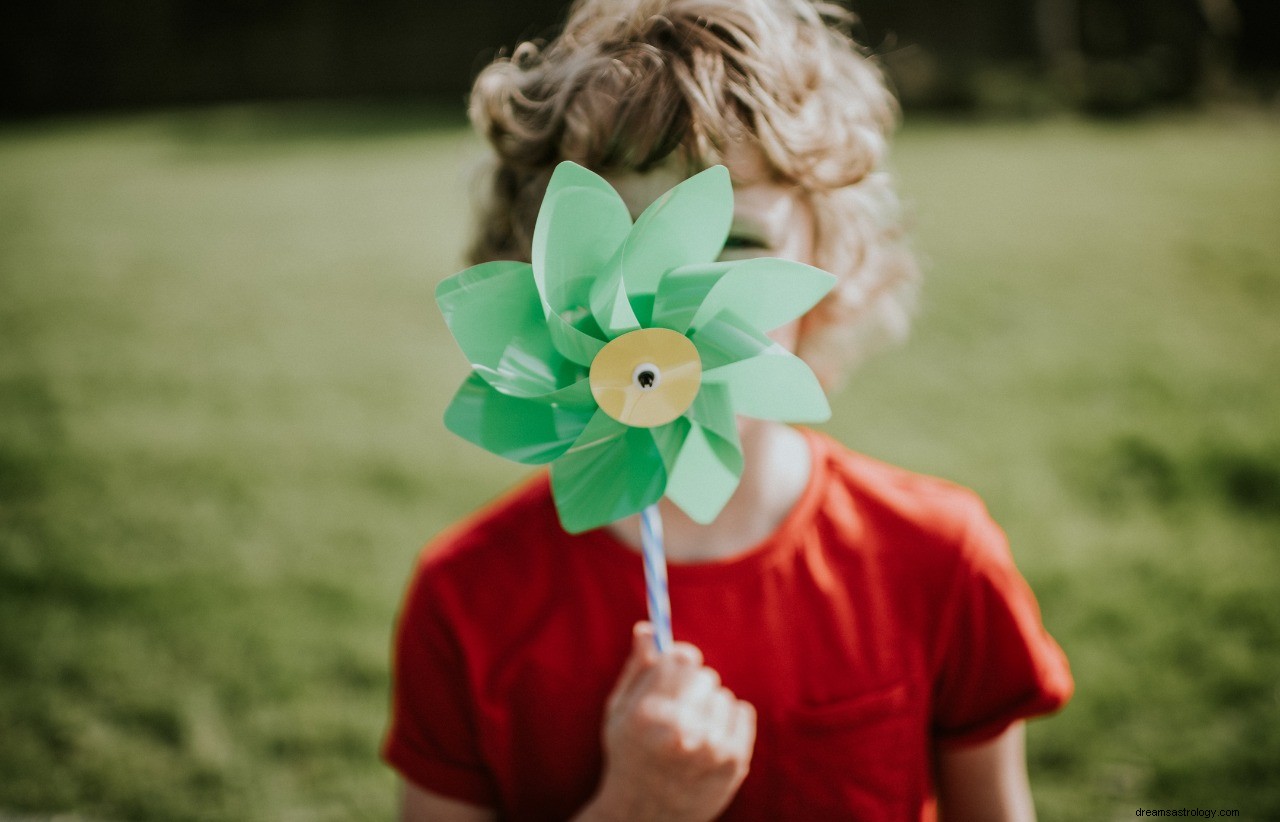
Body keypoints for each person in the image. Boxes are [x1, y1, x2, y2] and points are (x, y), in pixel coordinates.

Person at [382, 0, 1073, 819]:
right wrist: (635, 807)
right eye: (618, 236)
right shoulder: (464, 602)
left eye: (737, 242)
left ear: (831, 261)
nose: (660, 308)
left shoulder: (939, 561)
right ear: (532, 263)